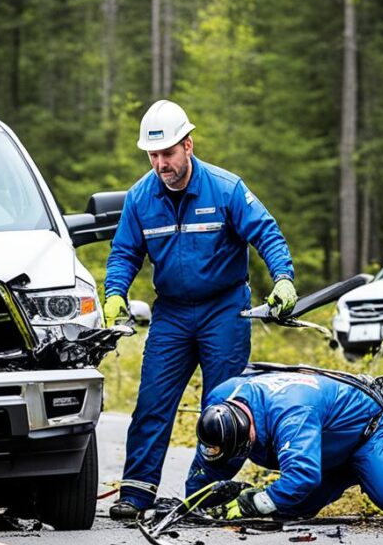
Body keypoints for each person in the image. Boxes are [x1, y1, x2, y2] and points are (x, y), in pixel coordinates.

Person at [104, 100, 297, 520]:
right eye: (153, 156)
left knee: (224, 406)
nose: (160, 164)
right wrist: (114, 293)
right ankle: (136, 493)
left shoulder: (226, 189)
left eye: (168, 153)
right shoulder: (140, 198)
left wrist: (283, 278)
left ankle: (203, 492)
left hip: (224, 311)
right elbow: (123, 254)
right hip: (171, 314)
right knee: (153, 402)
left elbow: (267, 234)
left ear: (188, 145)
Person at [186, 370, 383, 519]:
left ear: (248, 428)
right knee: (293, 510)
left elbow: (302, 475)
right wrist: (193, 503)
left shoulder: (292, 414)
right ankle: (351, 472)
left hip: (362, 431)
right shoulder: (222, 400)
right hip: (322, 441)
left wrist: (253, 504)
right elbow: (213, 459)